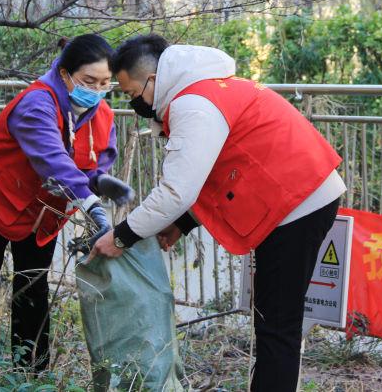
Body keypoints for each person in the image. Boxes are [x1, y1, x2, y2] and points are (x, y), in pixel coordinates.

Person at [88, 34, 346, 392]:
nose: (136, 104)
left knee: (277, 325)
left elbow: (177, 190)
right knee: (272, 319)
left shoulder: (193, 103)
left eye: (134, 94)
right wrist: (183, 223)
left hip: (298, 200)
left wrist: (121, 236)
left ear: (153, 79)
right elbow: (217, 170)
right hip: (293, 194)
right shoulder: (208, 88)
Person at [0, 34, 133, 371]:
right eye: (88, 81)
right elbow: (53, 158)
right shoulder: (37, 103)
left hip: (44, 211)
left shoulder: (102, 114)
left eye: (105, 83)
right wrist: (92, 204)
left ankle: (32, 374)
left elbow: (92, 163)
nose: (96, 91)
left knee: (33, 289)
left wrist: (99, 180)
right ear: (65, 75)